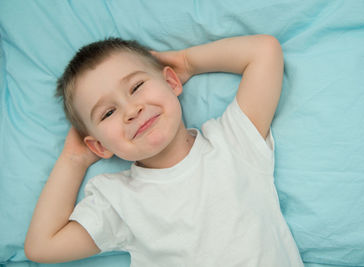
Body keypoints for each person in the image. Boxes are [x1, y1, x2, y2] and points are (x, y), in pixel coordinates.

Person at [24, 35, 304, 266]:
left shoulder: (233, 141)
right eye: (108, 112)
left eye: (137, 86)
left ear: (171, 82)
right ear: (99, 145)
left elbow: (265, 51)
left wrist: (186, 61)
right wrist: (73, 160)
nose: (131, 110)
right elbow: (41, 247)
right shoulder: (119, 201)